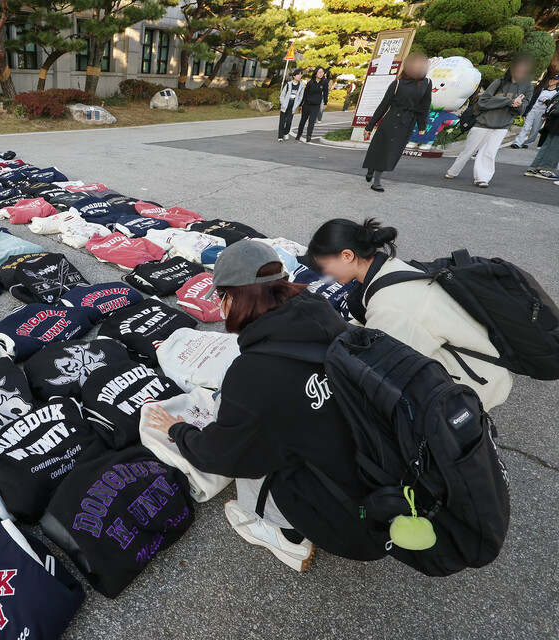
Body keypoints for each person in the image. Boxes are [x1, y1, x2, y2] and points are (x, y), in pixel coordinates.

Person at [143, 240, 387, 572]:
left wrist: (177, 429)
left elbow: (220, 456)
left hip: (354, 516)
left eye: (220, 296)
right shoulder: (321, 311)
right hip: (377, 467)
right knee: (255, 419)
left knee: (247, 440)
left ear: (231, 297)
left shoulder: (253, 375)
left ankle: (283, 533)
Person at [308, 218, 513, 409]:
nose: (324, 273)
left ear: (347, 256)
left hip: (475, 386)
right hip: (475, 361)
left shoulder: (390, 305)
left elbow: (383, 369)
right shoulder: (390, 268)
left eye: (323, 265)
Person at [445, 55, 534, 187]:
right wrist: (508, 102)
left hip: (502, 125)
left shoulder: (527, 87)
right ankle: (453, 171)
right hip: (483, 122)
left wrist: (518, 105)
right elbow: (483, 101)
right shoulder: (499, 82)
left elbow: (523, 108)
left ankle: (482, 178)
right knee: (469, 149)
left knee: (490, 152)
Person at [361, 52, 431, 192]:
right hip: (392, 119)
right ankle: (376, 180)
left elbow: (425, 105)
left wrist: (422, 124)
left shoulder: (427, 83)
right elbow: (384, 105)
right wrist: (370, 125)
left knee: (393, 151)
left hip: (408, 122)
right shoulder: (398, 83)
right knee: (382, 148)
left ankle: (374, 170)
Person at [512, 74, 559, 149]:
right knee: (525, 127)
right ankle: (517, 143)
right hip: (533, 110)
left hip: (542, 113)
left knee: (535, 130)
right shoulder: (542, 90)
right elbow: (532, 100)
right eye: (551, 79)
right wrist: (525, 111)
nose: (551, 81)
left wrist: (547, 102)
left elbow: (554, 104)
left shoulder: (556, 92)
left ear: (557, 81)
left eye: (554, 80)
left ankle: (528, 143)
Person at [524, 93, 559, 180]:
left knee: (547, 145)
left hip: (553, 121)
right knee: (555, 147)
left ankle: (534, 167)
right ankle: (545, 169)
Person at [296, 67, 329, 142]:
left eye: (322, 72)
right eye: (320, 72)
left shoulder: (324, 82)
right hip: (307, 104)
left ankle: (309, 136)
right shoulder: (310, 82)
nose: (321, 74)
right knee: (303, 120)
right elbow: (305, 94)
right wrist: (301, 104)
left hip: (316, 104)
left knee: (312, 120)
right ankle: (299, 134)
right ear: (316, 73)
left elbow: (325, 93)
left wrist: (325, 103)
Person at [278, 69, 305, 142]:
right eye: (298, 74)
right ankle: (280, 136)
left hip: (292, 107)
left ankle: (286, 132)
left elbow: (300, 97)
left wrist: (296, 105)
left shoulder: (301, 86)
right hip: (285, 106)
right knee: (282, 122)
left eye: (301, 74)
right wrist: (283, 103)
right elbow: (282, 95)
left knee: (289, 121)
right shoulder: (288, 84)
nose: (299, 76)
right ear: (294, 76)